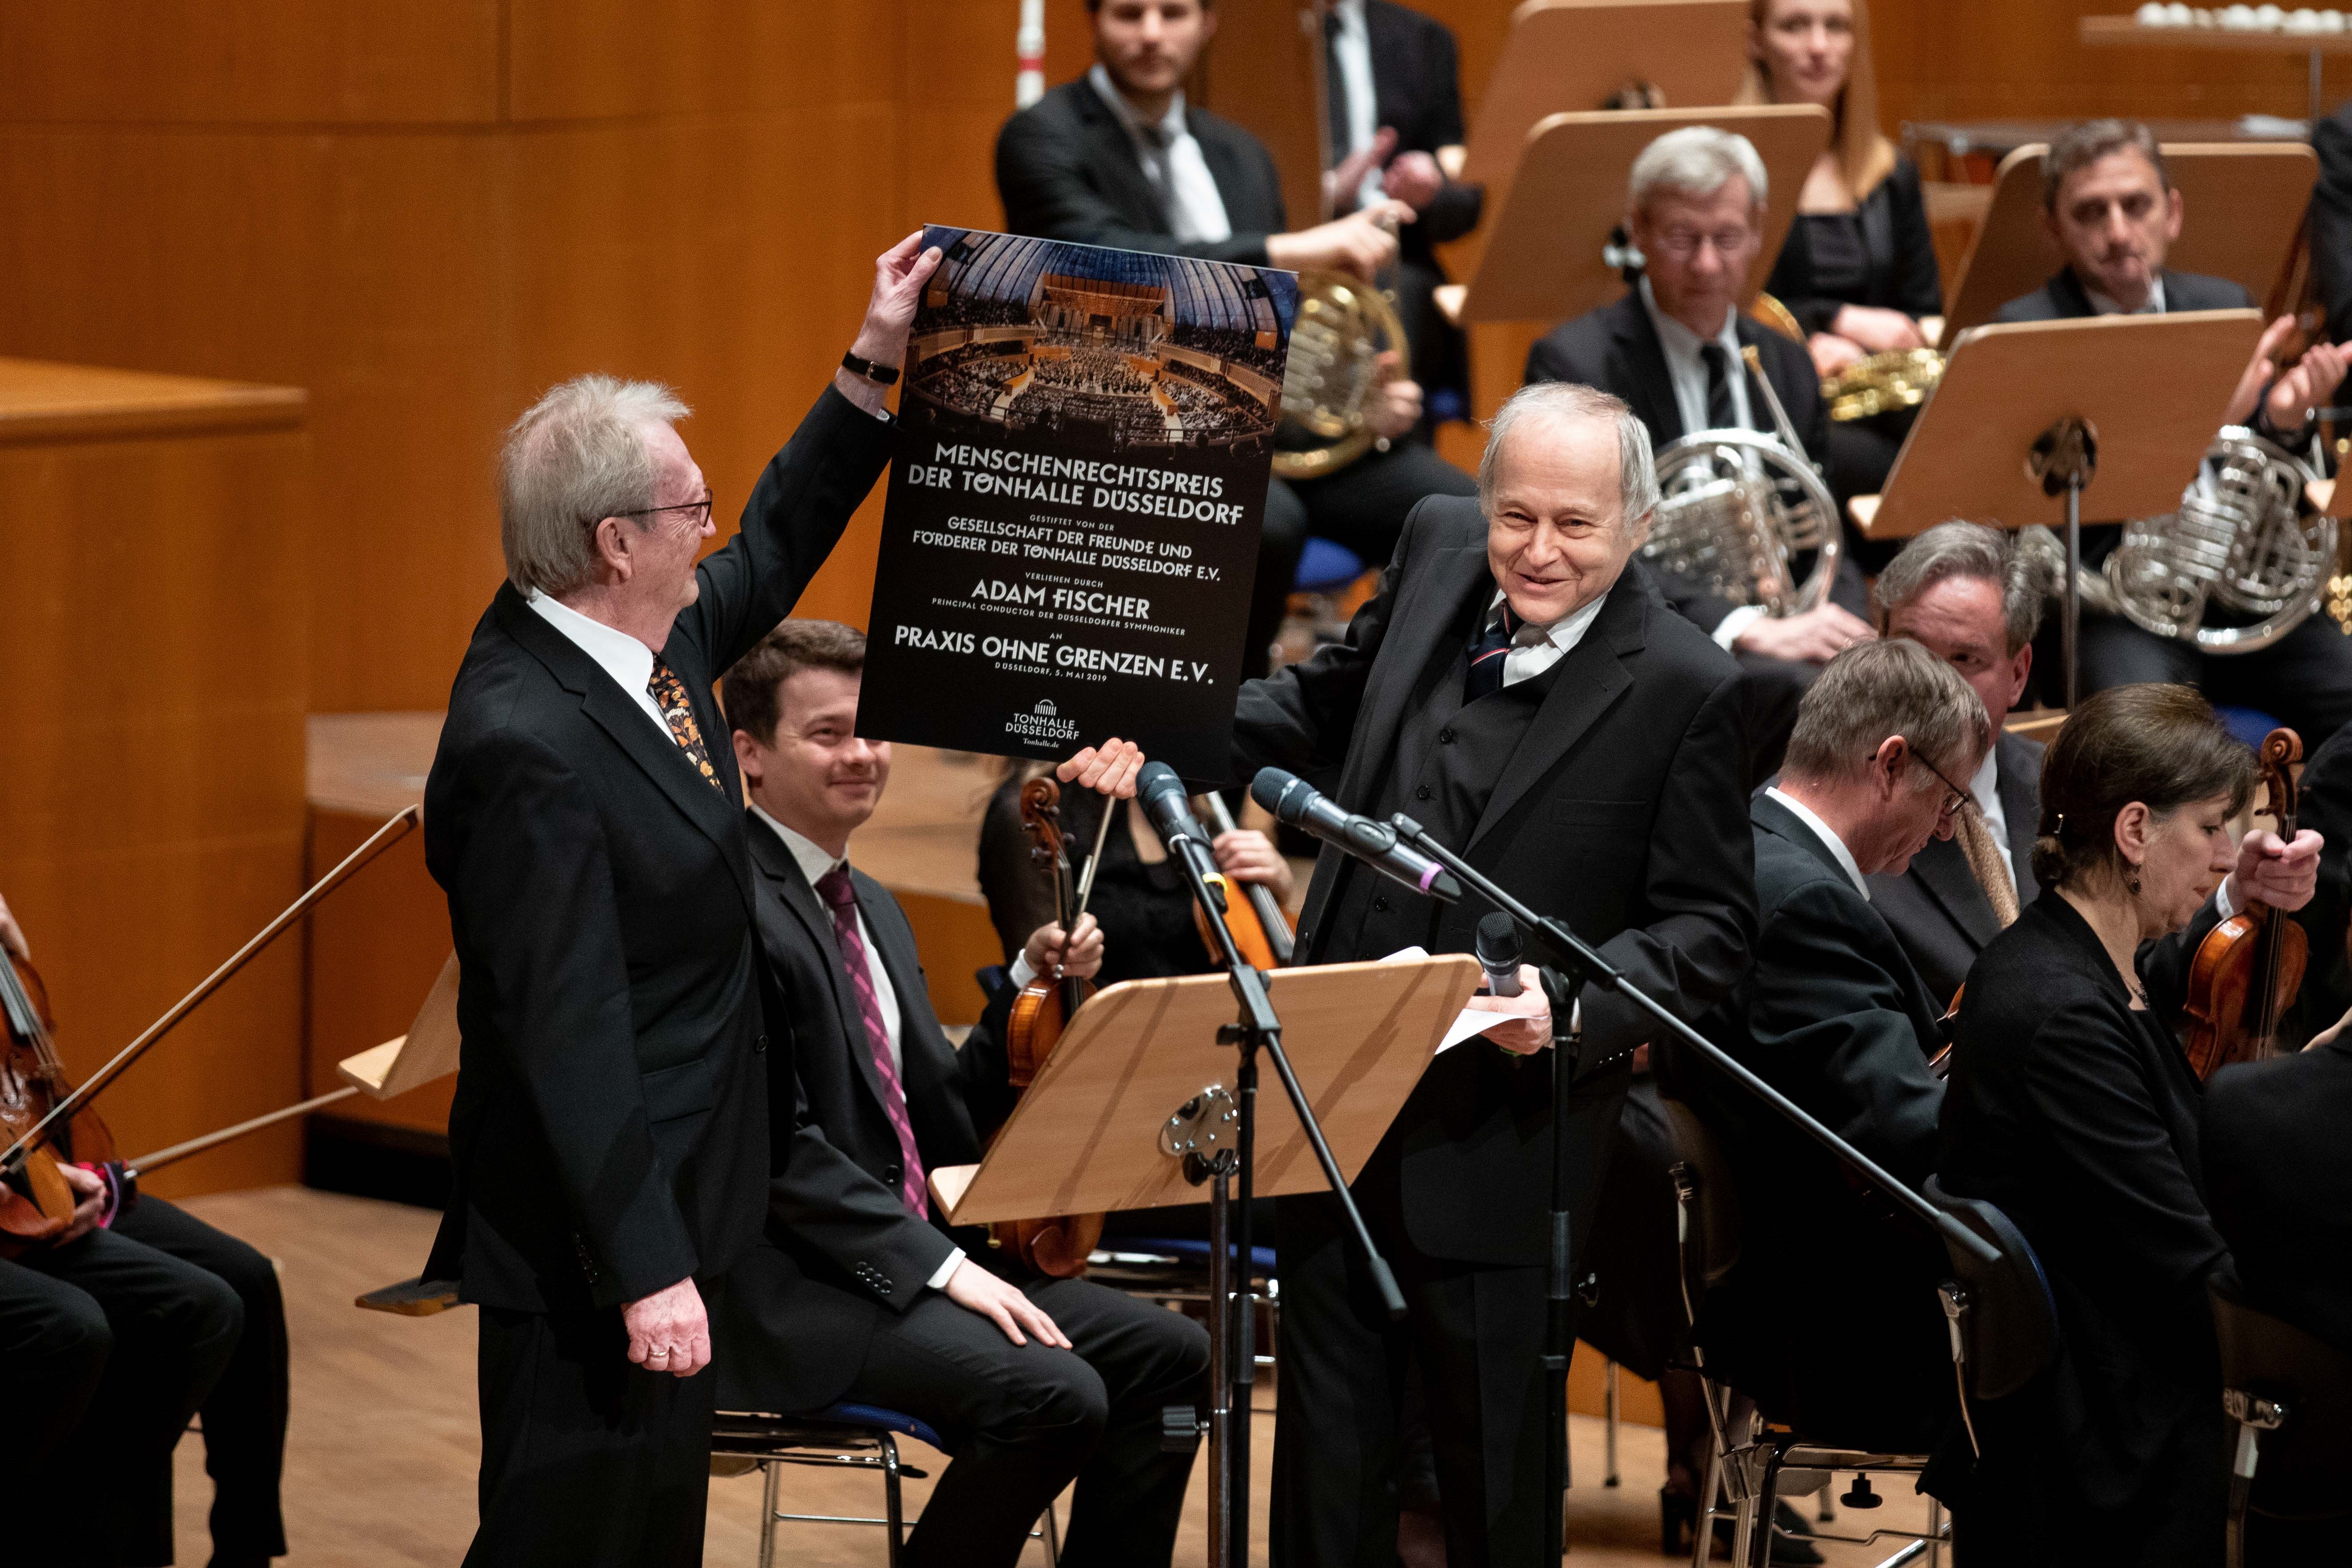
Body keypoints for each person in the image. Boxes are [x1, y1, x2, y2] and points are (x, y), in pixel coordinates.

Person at [1058, 379, 1756, 1566]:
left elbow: (1705, 929)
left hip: (1502, 1134)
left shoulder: (1688, 685)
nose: (1536, 552)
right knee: (1323, 1461)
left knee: (1490, 1475)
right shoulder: (1436, 546)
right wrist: (1156, 725)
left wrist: (1573, 1005)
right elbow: (1315, 704)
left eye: (1575, 525)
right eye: (1516, 515)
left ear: (1636, 524)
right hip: (1332, 1091)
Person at [418, 234, 934, 1567]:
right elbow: (565, 1027)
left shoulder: (645, 634)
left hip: (679, 1209)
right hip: (592, 1243)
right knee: (561, 1535)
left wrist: (876, 358)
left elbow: (778, 540)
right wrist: (646, 1264)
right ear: (613, 540)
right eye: (686, 512)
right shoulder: (523, 738)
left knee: (642, 1540)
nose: (710, 532)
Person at [709, 620, 1209, 1568]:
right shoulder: (730, 905)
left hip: (914, 1262)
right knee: (1057, 1395)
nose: (862, 754)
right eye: (828, 733)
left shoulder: (873, 906)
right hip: (799, 1287)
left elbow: (935, 1114)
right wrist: (947, 1272)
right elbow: (780, 1151)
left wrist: (1029, 985)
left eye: (874, 732)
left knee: (1171, 1358)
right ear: (751, 753)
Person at [1937, 684, 2324, 1563]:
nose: (2230, 856)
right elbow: (2189, 1268)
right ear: (2135, 829)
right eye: (2215, 828)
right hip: (2107, 1451)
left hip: (2114, 1397)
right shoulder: (2061, 1014)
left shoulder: (2073, 963)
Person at [994, 0, 1479, 677]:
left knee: (1466, 519)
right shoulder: (1040, 137)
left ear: (1208, 23)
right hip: (1127, 425)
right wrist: (1293, 247)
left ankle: (1376, 721)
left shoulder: (1240, 153)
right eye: (1129, 14)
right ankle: (1218, 740)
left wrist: (1354, 397)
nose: (1152, 34)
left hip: (1267, 432)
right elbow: (1106, 261)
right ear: (1093, 21)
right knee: (1263, 524)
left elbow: (1282, 325)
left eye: (1173, 12)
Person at [1663, 640, 1984, 1466]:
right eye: (1949, 799)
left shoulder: (1744, 846)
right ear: (1889, 762)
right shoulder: (1803, 902)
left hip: (1796, 1288)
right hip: (1846, 1323)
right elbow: (1907, 1134)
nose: (1948, 829)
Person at [1525, 125, 1876, 783]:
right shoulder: (1578, 364)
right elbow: (1586, 550)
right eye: (1683, 239)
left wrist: (1845, 621)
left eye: (1726, 238)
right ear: (1638, 230)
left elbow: (1820, 526)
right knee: (1797, 694)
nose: (1707, 265)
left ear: (1756, 231)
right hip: (1650, 630)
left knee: (1887, 679)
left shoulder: (1785, 364)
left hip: (1780, 624)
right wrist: (1740, 625)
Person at [1994, 119, 2352, 744]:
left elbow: (2275, 495)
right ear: (2052, 228)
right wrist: (2203, 424)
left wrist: (2284, 422)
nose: (2116, 232)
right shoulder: (2025, 332)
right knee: (2143, 739)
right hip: (2119, 610)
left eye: (2135, 206)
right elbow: (2046, 520)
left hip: (2242, 601)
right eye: (2090, 213)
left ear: (2172, 213)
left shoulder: (2222, 304)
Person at [2, 891, 260, 1568]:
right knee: (74, 1326)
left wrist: (58, 1171)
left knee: (217, 1296)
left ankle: (133, 1538)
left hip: (24, 1173)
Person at [1743, 0, 1942, 521]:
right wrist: (1826, 323)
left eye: (1835, 27)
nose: (1818, 46)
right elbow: (1719, 298)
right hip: (1775, 392)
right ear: (1756, 39)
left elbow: (1924, 305)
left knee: (1966, 447)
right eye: (1794, 26)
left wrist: (1906, 335)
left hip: (1877, 390)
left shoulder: (1889, 171)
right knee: (1888, 468)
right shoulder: (1731, 170)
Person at [1865, 521, 2045, 1004]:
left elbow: (2141, 964)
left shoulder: (2071, 787)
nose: (1931, 687)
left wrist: (2234, 897)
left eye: (1964, 658)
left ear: (2018, 673)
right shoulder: (1836, 819)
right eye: (1909, 651)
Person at [1318, 0, 1485, 433]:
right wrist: (1325, 196)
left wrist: (1431, 187)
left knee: (1399, 299)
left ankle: (1387, 452)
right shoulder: (1240, 41)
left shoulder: (1424, 39)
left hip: (1396, 261)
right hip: (1289, 260)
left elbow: (1465, 203)